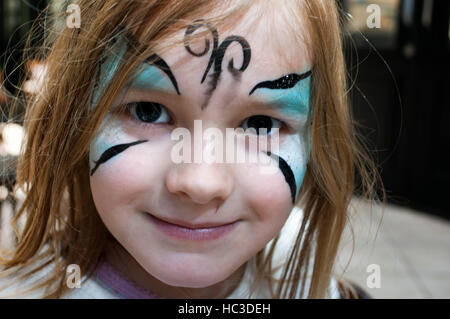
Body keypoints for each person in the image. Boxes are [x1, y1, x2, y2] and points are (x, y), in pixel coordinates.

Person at [0, 0, 379, 298]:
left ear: (317, 139)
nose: (200, 182)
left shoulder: (307, 280)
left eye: (260, 124)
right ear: (75, 116)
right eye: (148, 112)